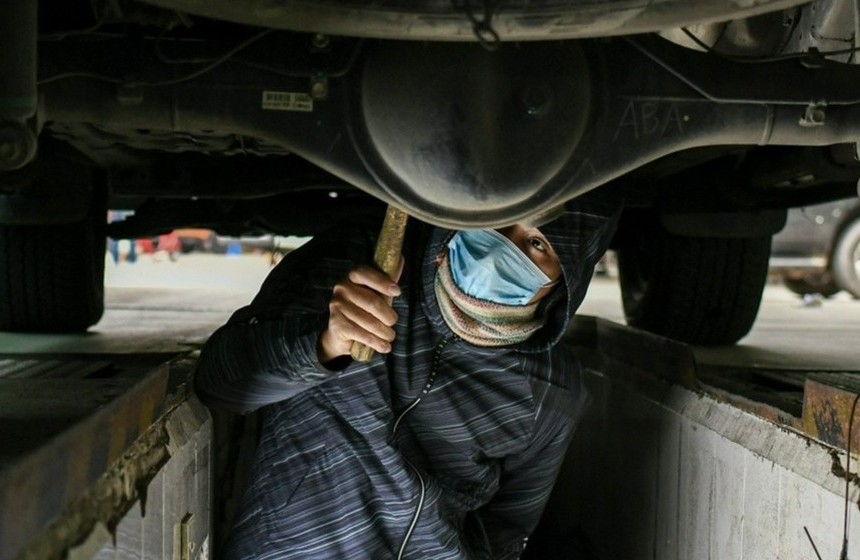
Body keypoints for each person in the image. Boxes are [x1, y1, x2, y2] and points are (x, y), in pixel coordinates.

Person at [194, 197, 620, 559]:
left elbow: (504, 534)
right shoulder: (354, 266)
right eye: (495, 221)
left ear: (568, 275)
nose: (496, 252)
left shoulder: (552, 389)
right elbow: (219, 384)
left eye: (537, 243)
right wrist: (322, 343)